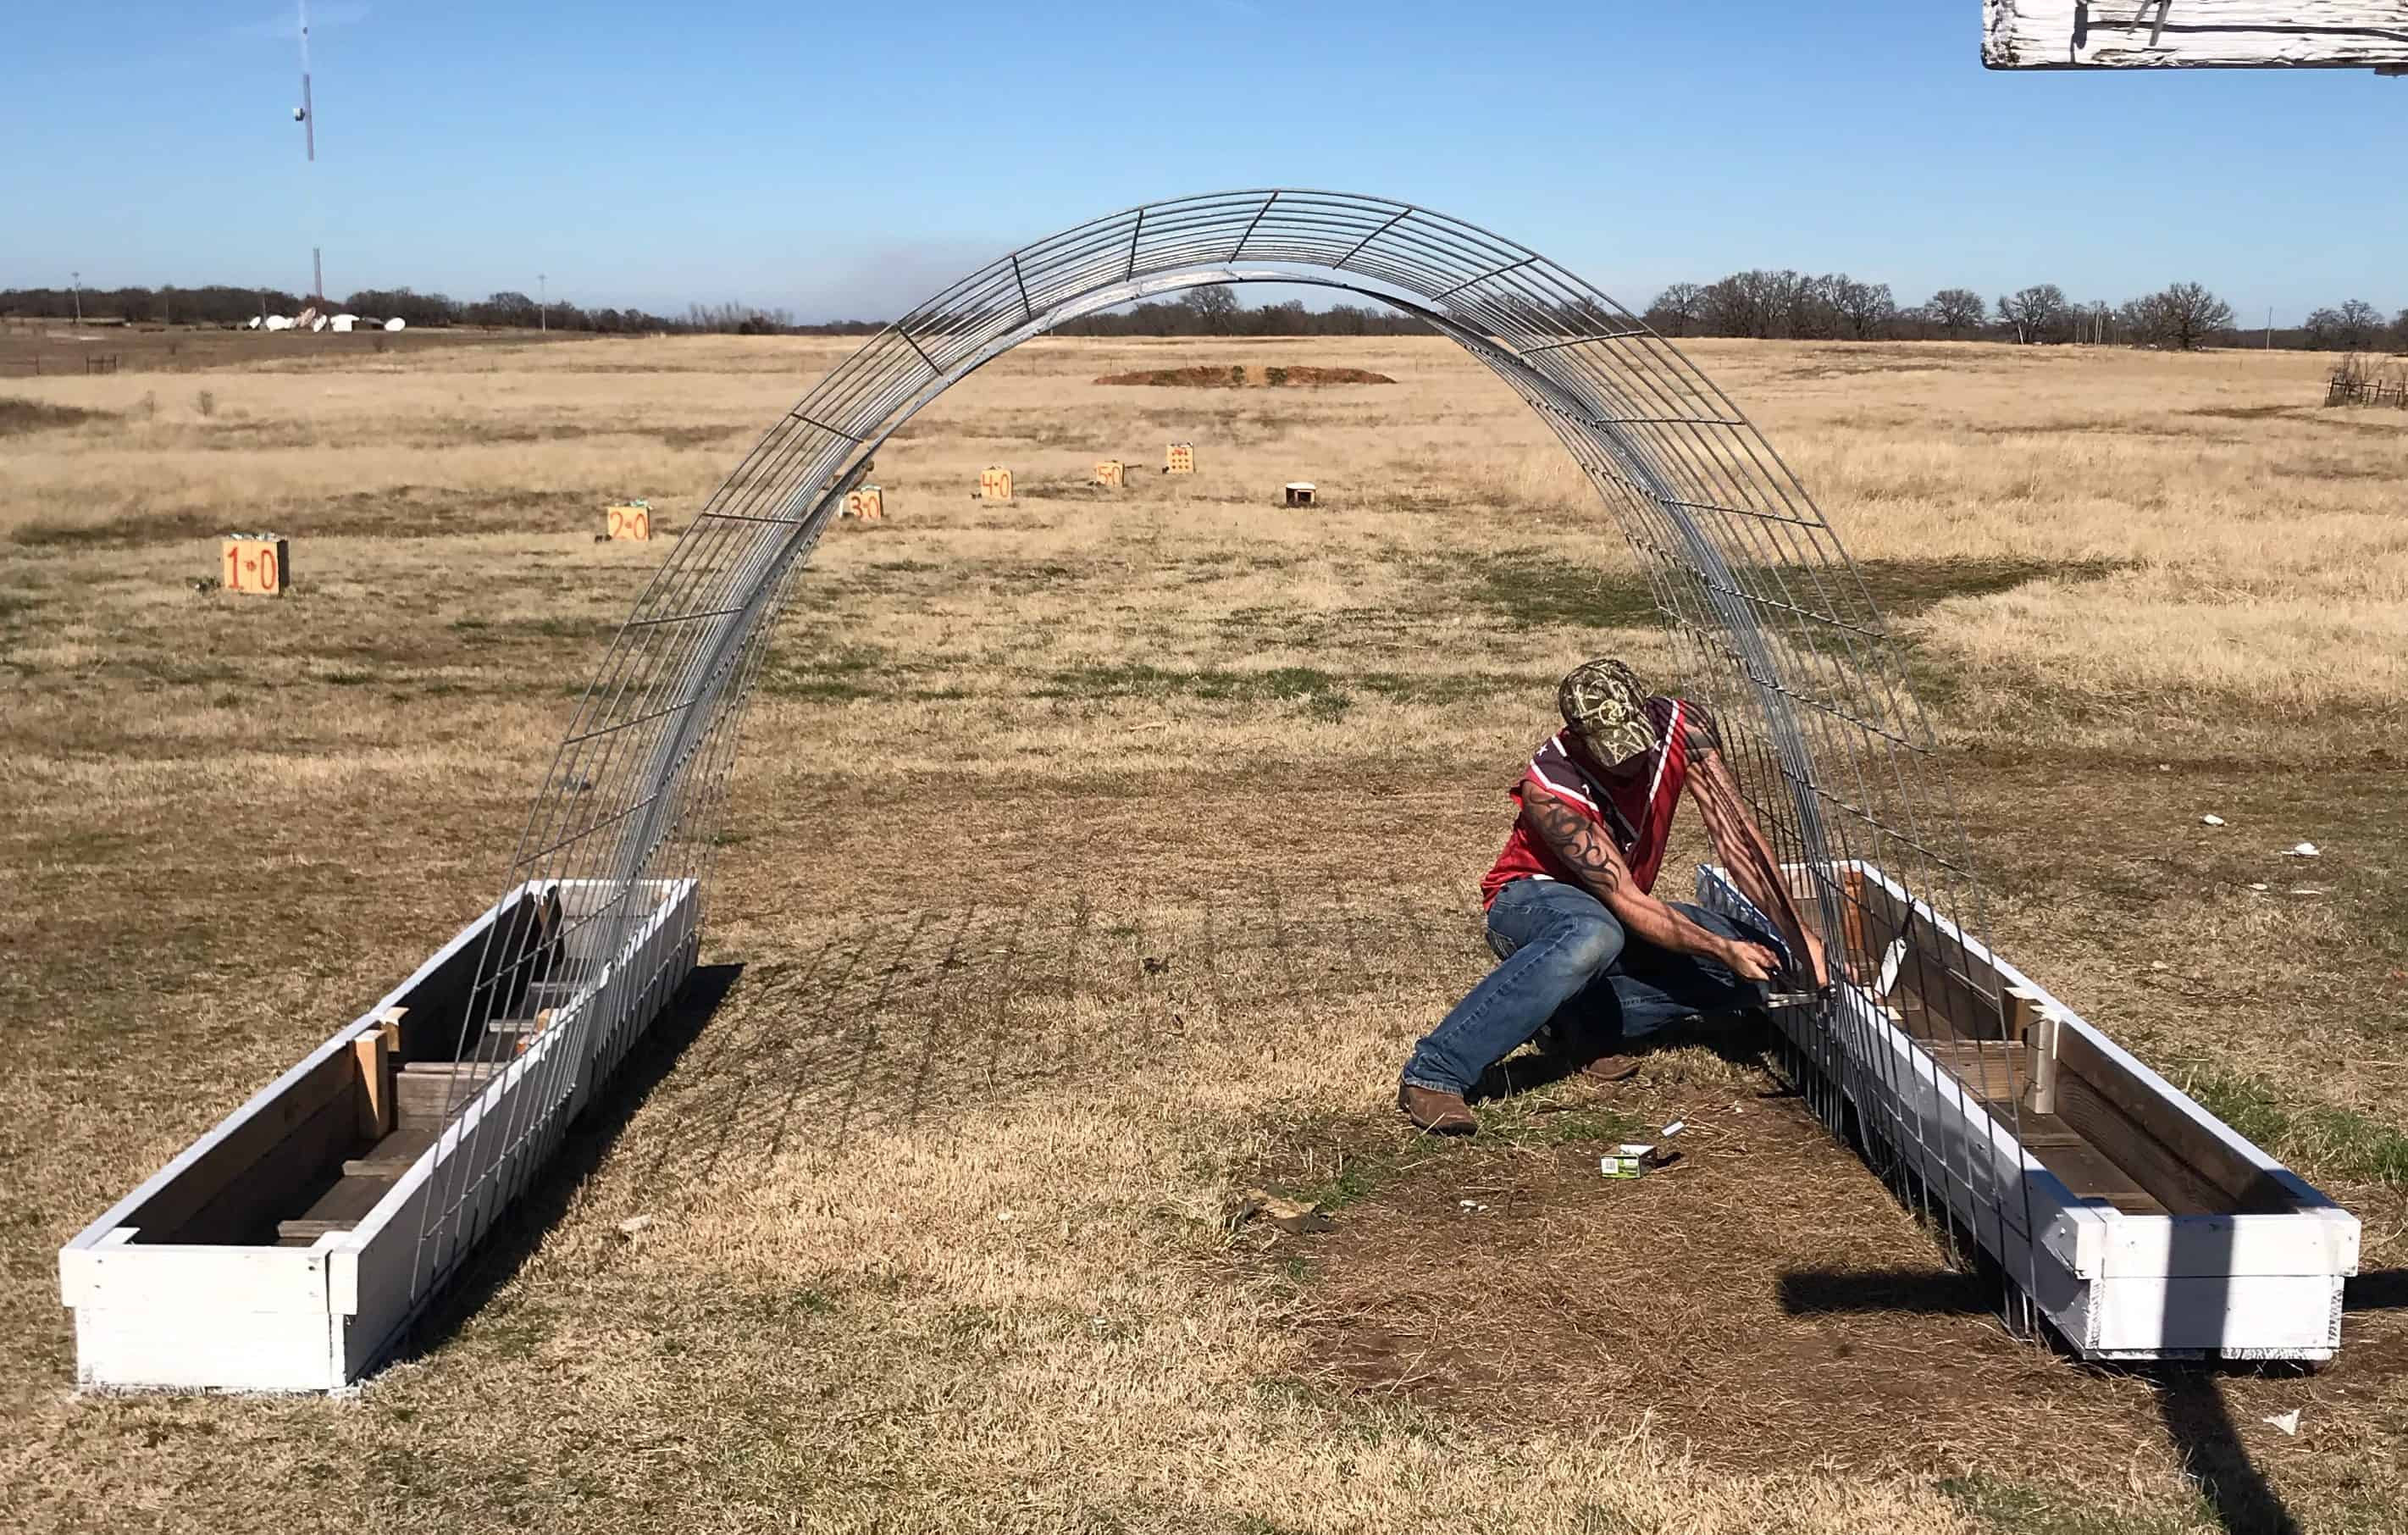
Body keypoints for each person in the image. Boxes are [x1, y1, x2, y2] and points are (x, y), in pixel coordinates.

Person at [1398, 658, 1826, 1134]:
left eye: (1636, 741)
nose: (1629, 759)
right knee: (1594, 933)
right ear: (1578, 740)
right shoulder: (1551, 791)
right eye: (1612, 751)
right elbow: (1627, 902)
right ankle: (1436, 1070)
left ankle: (1574, 1020)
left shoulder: (1688, 728)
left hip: (1616, 911)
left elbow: (1737, 838)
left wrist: (1797, 934)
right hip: (1533, 899)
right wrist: (1722, 949)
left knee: (1770, 962)